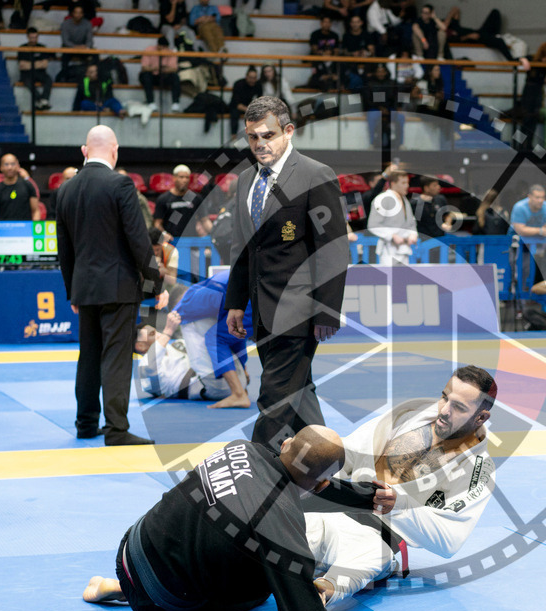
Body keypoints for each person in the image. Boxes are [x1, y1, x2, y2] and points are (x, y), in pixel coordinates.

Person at [81, 426, 341, 611]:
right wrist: (311, 605)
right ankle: (130, 591)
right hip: (157, 608)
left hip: (130, 548)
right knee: (267, 583)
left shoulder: (243, 448)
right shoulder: (284, 527)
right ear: (322, 485)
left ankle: (122, 585)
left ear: (285, 444)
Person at [307, 366, 498, 603]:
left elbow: (449, 541)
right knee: (282, 528)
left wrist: (400, 505)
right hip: (335, 511)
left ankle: (318, 597)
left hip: (378, 537)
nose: (444, 410)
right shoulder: (408, 417)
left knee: (364, 560)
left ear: (481, 417)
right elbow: (351, 451)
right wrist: (314, 462)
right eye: (444, 397)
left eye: (458, 407)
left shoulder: (478, 471)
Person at [225, 96, 349, 450]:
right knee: (298, 396)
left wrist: (326, 310)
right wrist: (235, 302)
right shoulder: (246, 180)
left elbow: (333, 249)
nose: (260, 144)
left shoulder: (315, 174)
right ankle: (325, 470)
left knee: (274, 399)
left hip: (299, 310)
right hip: (262, 310)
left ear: (288, 131)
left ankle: (255, 471)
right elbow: (242, 248)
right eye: (252, 137)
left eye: (268, 135)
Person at [55, 125, 164, 446]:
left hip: (84, 287)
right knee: (116, 357)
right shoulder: (120, 184)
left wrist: (71, 291)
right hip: (118, 286)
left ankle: (86, 423)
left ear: (84, 151)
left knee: (88, 355)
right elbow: (139, 241)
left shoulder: (65, 189)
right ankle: (116, 429)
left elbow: (64, 249)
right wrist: (155, 285)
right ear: (115, 150)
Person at [136, 270, 253, 407]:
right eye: (152, 334)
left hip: (224, 381)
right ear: (140, 346)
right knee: (190, 319)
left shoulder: (177, 345)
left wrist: (243, 370)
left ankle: (239, 389)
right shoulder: (144, 367)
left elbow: (231, 341)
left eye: (156, 331)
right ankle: (238, 392)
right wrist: (168, 331)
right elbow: (150, 369)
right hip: (208, 385)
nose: (158, 334)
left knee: (223, 329)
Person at [367, 170, 417, 264]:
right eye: (403, 183)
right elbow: (373, 225)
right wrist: (391, 236)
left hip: (404, 249)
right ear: (393, 183)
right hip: (388, 250)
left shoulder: (405, 200)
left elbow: (411, 223)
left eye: (407, 183)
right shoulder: (382, 199)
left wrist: (413, 234)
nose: (407, 186)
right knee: (389, 274)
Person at [516, 42, 546, 150]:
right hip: (529, 90)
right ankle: (520, 144)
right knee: (526, 118)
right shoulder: (532, 58)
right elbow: (516, 58)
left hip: (538, 90)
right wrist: (523, 60)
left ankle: (529, 143)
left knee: (534, 117)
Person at [0, 154, 40, 222]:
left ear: (18, 166)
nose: (10, 167)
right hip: (4, 227)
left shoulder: (28, 185)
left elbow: (36, 211)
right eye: (6, 164)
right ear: (1, 167)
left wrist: (35, 227)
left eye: (13, 164)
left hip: (25, 227)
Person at [153, 164, 199, 238]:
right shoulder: (163, 199)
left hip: (191, 240)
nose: (184, 180)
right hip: (171, 240)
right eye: (181, 177)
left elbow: (204, 221)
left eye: (187, 177)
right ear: (174, 178)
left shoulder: (196, 198)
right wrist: (164, 234)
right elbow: (157, 223)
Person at [139, 36, 181, 113]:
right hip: (152, 76)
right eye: (161, 47)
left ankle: (175, 103)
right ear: (158, 45)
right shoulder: (149, 50)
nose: (163, 49)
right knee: (146, 75)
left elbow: (174, 69)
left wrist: (160, 69)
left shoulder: (171, 52)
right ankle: (150, 102)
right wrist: (156, 68)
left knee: (175, 77)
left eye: (164, 47)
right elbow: (144, 68)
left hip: (163, 76)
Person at [18, 27, 55, 111]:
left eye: (35, 37)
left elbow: (44, 64)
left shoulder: (42, 47)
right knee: (29, 83)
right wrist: (38, 64)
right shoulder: (22, 48)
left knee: (49, 79)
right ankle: (40, 100)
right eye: (32, 38)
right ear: (27, 37)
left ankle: (44, 100)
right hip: (27, 74)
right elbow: (22, 65)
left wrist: (29, 64)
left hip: (40, 73)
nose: (34, 40)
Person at [411, 175, 455, 240]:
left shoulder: (441, 199)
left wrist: (447, 224)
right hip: (423, 239)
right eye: (435, 185)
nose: (438, 187)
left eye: (438, 184)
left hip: (440, 238)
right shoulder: (415, 203)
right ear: (426, 188)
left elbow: (447, 215)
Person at [60, 5, 94, 80]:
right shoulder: (65, 24)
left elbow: (90, 40)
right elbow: (65, 41)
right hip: (69, 49)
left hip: (83, 49)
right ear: (72, 13)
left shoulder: (88, 24)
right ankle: (64, 78)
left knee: (94, 55)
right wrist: (76, 47)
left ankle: (93, 78)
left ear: (83, 14)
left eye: (80, 13)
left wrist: (86, 46)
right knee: (64, 56)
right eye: (76, 12)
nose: (78, 15)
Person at [228, 67, 262, 136]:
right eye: (250, 78)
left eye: (254, 78)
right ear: (246, 77)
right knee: (234, 113)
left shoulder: (258, 85)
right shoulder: (238, 84)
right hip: (238, 108)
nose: (252, 80)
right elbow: (236, 104)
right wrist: (248, 109)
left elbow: (259, 101)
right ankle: (233, 135)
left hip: (251, 108)